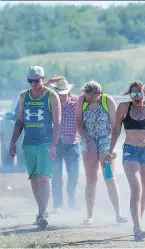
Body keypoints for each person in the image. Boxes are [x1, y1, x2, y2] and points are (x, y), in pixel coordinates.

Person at [103, 80, 145, 241]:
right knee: (137, 188)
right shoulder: (124, 108)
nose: (137, 97)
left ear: (144, 93)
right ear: (130, 95)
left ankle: (137, 222)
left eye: (139, 93)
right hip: (130, 151)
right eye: (134, 94)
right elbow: (116, 131)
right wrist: (111, 150)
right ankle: (138, 228)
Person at [9, 66, 61, 229]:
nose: (33, 84)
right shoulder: (23, 96)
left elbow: (57, 122)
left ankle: (41, 213)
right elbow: (20, 121)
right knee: (33, 179)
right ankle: (42, 211)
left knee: (44, 177)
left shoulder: (51, 96)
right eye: (30, 81)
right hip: (29, 143)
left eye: (36, 81)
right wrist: (12, 142)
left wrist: (53, 145)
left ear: (43, 79)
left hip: (45, 141)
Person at [75, 80, 128, 225]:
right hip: (88, 140)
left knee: (109, 176)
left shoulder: (107, 100)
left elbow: (115, 125)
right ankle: (89, 215)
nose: (87, 98)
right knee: (91, 179)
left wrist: (113, 148)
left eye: (90, 96)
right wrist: (87, 140)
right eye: (86, 95)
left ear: (97, 93)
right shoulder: (82, 100)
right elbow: (78, 124)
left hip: (106, 139)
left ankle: (118, 214)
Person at [45, 76, 80, 212]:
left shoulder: (76, 101)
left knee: (73, 176)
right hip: (56, 143)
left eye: (64, 93)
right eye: (59, 93)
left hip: (72, 143)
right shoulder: (50, 102)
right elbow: (41, 92)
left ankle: (71, 203)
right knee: (56, 176)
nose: (62, 96)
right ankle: (58, 205)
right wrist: (48, 83)